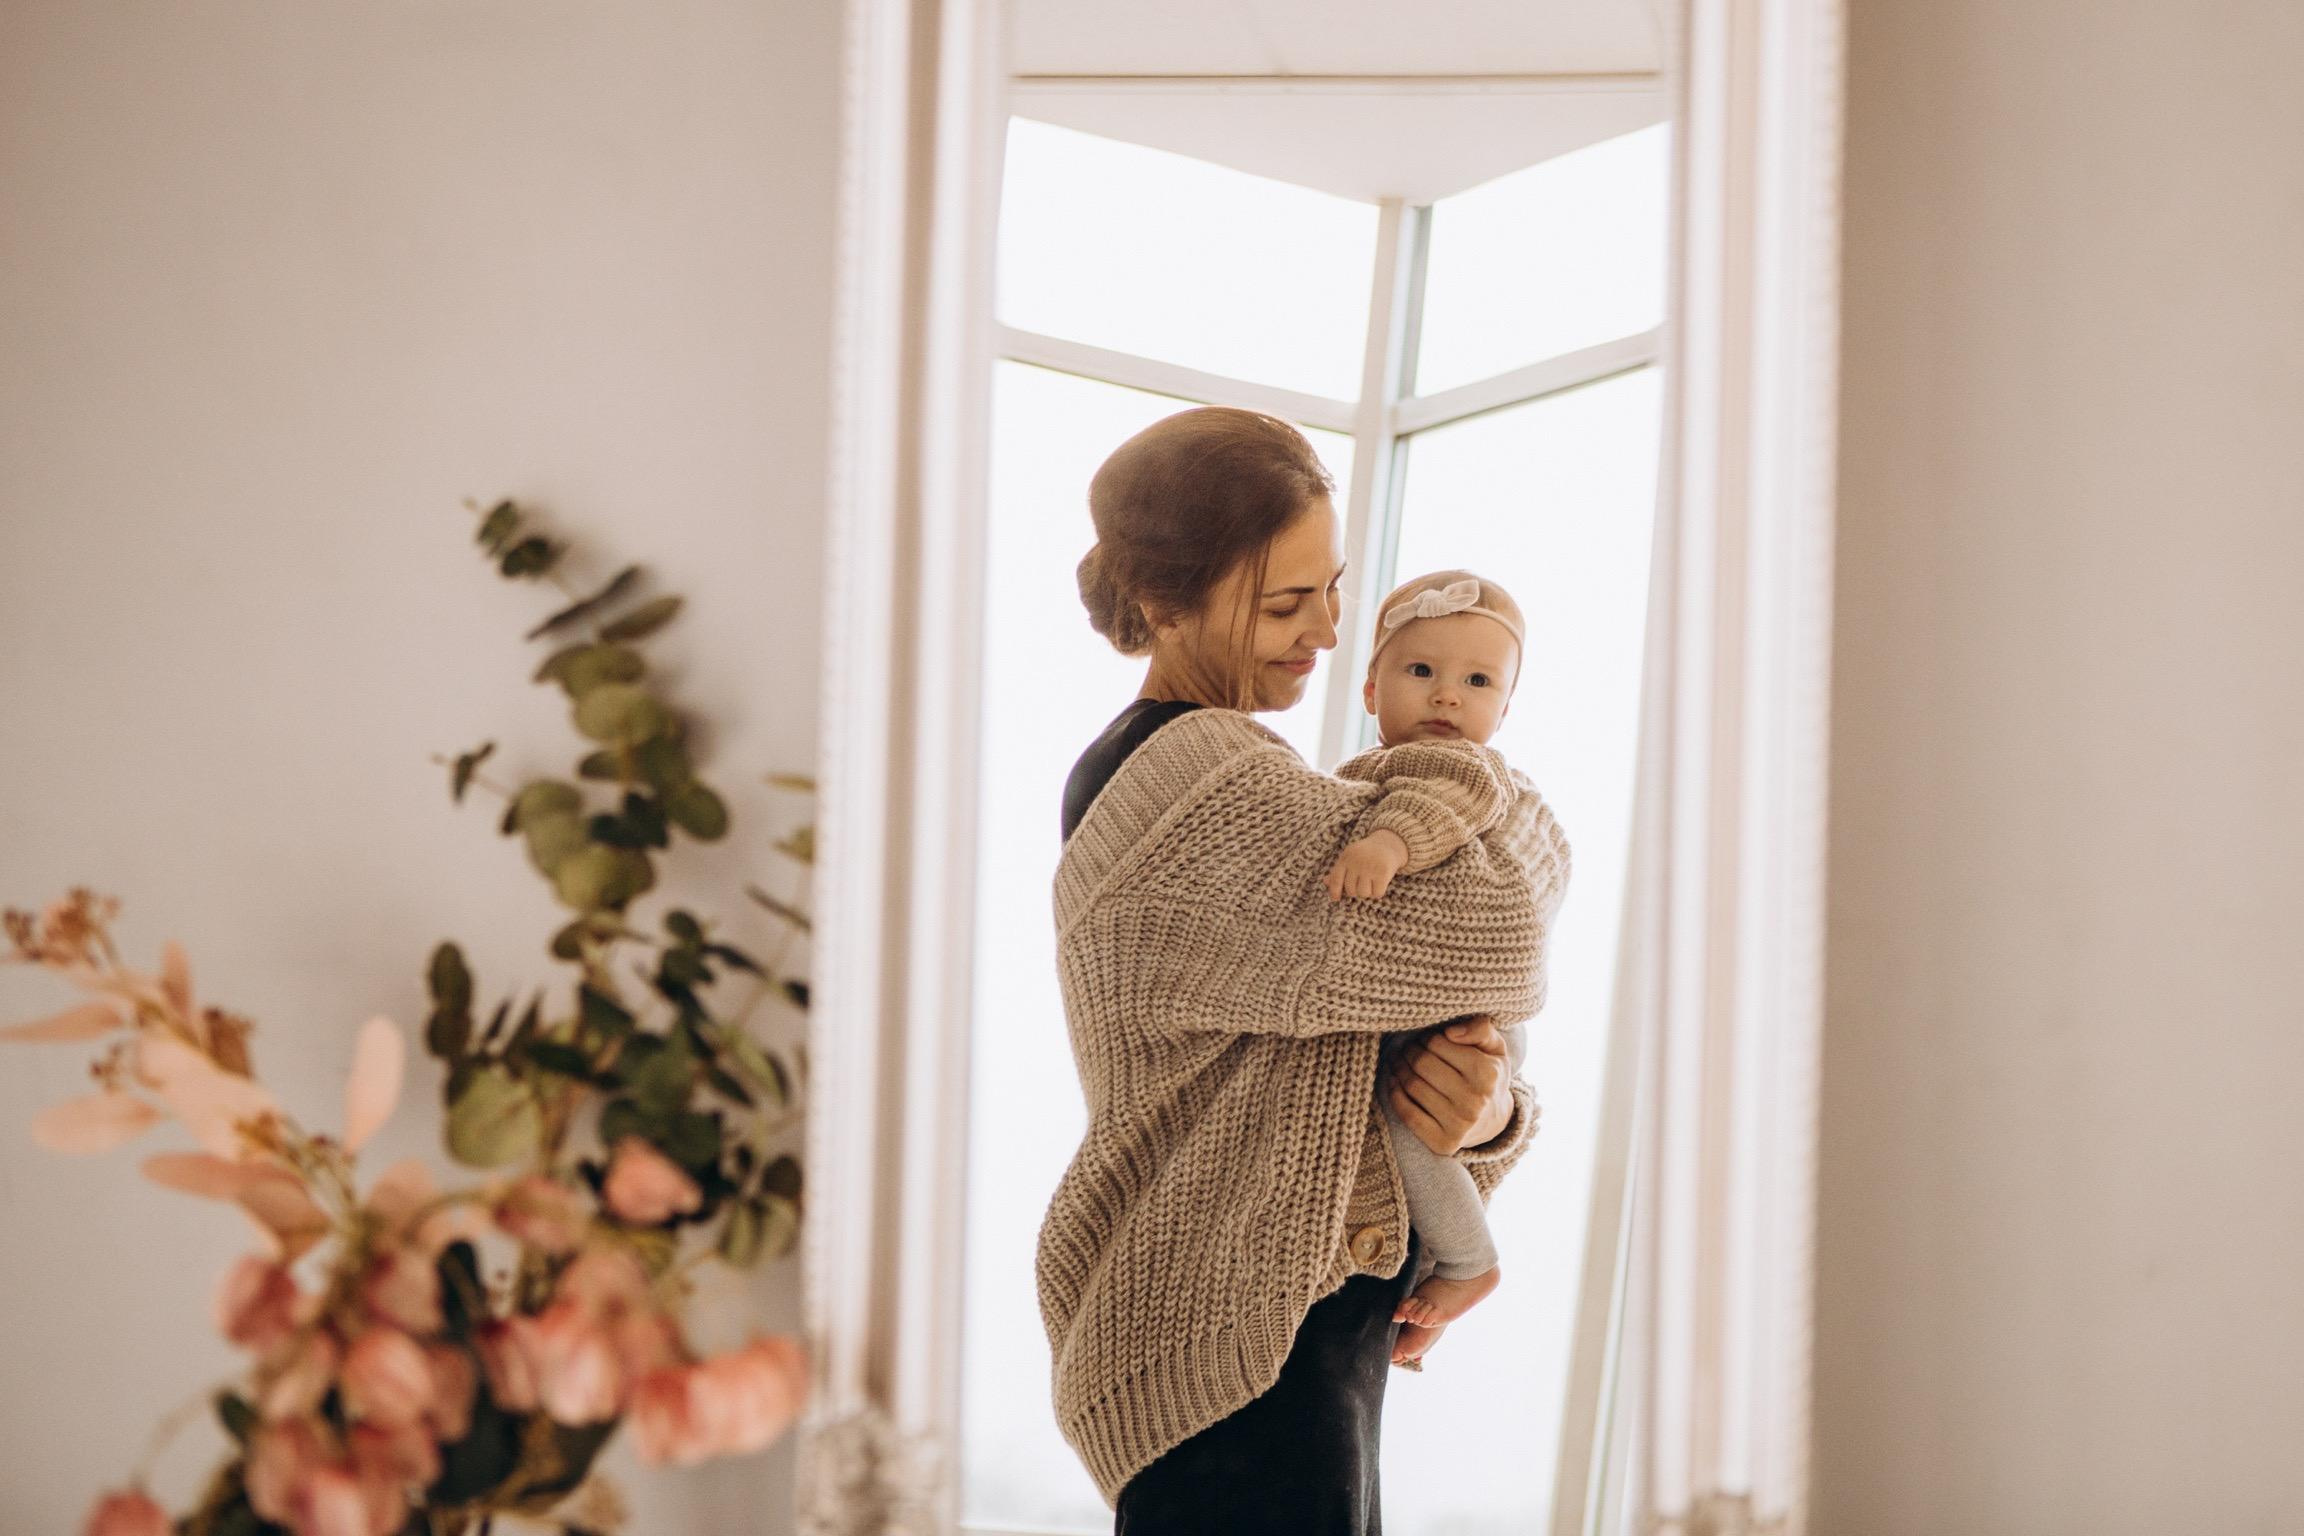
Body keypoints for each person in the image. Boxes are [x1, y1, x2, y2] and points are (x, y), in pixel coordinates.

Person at [1037, 405, 1560, 1533]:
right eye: (1286, 603)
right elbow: (1502, 931)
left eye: (1333, 591)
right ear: (1170, 604)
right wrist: (1499, 801)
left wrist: (1487, 1120)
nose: (1328, 633)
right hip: (1233, 1342)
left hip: (1289, 1325)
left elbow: (1379, 1037)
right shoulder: (1196, 777)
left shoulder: (1272, 787)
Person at [1323, 569, 1573, 1330]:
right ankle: (1437, 1270)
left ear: (1504, 707)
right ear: (1370, 689)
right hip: (1471, 1017)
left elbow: (1447, 802)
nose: (1447, 697)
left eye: (1476, 681)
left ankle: (1468, 1261)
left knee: (1407, 1121)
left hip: (1466, 1015)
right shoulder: (1370, 772)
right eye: (1421, 671)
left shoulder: (1457, 769)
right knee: (1414, 1136)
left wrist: (1390, 843)